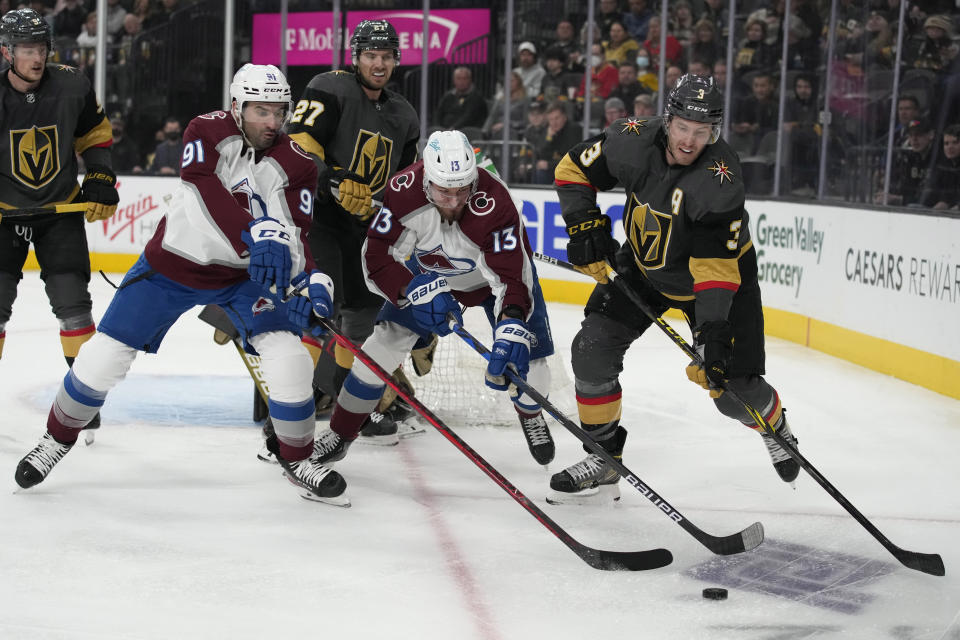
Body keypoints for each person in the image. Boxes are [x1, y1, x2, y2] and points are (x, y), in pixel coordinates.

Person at [13, 64, 349, 506]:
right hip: (173, 265)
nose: (271, 121)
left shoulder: (300, 166)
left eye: (279, 111)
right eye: (260, 110)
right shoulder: (205, 131)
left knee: (289, 358)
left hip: (242, 279)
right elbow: (204, 188)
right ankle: (57, 439)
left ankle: (297, 458)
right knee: (101, 359)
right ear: (236, 106)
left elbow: (299, 233)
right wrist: (253, 233)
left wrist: (311, 281)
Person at [548, 74, 800, 503]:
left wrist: (714, 332)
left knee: (731, 391)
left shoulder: (720, 180)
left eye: (701, 132)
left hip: (717, 282)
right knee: (591, 350)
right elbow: (571, 169)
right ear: (668, 120)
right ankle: (604, 456)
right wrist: (584, 225)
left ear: (714, 132)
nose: (689, 140)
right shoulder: (631, 140)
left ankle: (775, 426)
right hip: (645, 266)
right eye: (683, 127)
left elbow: (714, 267)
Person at [310, 130, 558, 485]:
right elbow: (377, 256)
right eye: (444, 190)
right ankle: (341, 432)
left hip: (491, 283)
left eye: (462, 190)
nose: (455, 200)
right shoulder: (402, 190)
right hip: (429, 277)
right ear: (426, 178)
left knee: (530, 365)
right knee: (379, 347)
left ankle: (531, 413)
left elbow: (512, 279)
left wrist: (511, 324)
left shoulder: (497, 202)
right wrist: (410, 289)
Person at [286, 19, 420, 443]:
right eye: (370, 55)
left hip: (367, 229)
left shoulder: (404, 115)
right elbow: (300, 144)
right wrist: (332, 180)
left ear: (396, 60)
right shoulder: (330, 86)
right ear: (356, 56)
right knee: (319, 310)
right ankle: (286, 417)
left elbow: (403, 180)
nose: (378, 64)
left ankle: (348, 407)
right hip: (321, 219)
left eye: (385, 57)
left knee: (361, 319)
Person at [0, 8, 119, 441]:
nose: (37, 57)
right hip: (4, 215)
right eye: (28, 49)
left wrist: (102, 176)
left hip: (60, 212)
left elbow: (94, 135)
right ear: (6, 52)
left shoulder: (72, 85)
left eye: (42, 48)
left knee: (74, 307)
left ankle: (82, 402)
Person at [433, 66, 488, 131]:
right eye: (458, 78)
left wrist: (453, 129)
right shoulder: (448, 96)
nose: (461, 82)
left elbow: (468, 117)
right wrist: (437, 128)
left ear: (470, 80)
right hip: (445, 130)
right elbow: (438, 113)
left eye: (465, 79)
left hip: (467, 132)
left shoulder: (476, 97)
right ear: (454, 80)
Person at [919, 123, 960, 210]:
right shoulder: (942, 166)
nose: (950, 147)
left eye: (955, 142)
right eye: (946, 143)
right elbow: (932, 194)